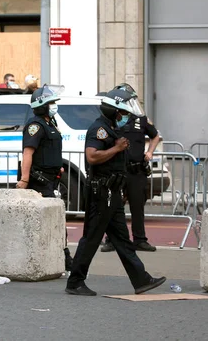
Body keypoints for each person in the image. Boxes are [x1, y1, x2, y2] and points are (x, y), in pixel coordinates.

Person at [65, 88, 166, 296]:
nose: (125, 117)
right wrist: (116, 149)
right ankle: (75, 282)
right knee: (91, 238)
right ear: (114, 111)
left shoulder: (112, 128)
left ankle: (141, 279)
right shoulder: (99, 129)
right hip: (101, 193)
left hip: (113, 192)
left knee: (122, 239)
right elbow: (92, 157)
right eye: (123, 113)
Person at [16, 84, 74, 271]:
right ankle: (63, 258)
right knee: (48, 220)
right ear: (42, 106)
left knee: (55, 218)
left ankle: (61, 256)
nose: (54, 106)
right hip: (38, 181)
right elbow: (28, 153)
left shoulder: (50, 123)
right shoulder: (35, 126)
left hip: (52, 178)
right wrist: (24, 180)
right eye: (51, 103)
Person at [101, 83, 160, 253]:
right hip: (117, 170)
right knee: (114, 206)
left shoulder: (140, 119)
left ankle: (140, 240)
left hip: (136, 170)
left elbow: (155, 136)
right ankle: (111, 240)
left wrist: (150, 152)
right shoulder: (113, 120)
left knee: (137, 206)